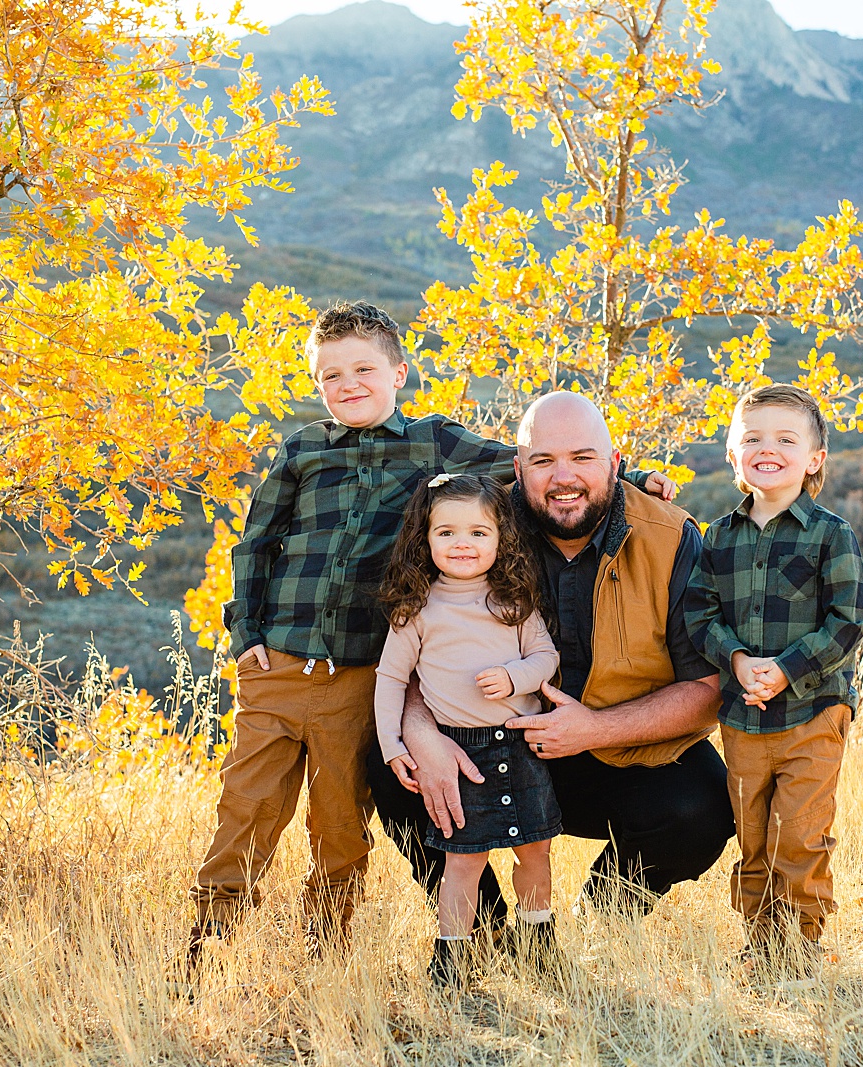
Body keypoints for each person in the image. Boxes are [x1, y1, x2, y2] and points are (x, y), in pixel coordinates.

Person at [189, 303, 674, 965]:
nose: (348, 383)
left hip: (355, 674)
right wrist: (247, 628)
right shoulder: (302, 450)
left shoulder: (432, 442)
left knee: (339, 823)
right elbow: (258, 542)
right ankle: (205, 941)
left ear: (399, 373)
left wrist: (633, 474)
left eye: (364, 367)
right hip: (276, 663)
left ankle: (327, 950)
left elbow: (532, 460)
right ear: (316, 383)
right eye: (331, 374)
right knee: (247, 805)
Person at [369, 391, 736, 930]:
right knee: (394, 769)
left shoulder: (671, 538)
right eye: (543, 461)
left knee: (703, 806)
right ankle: (486, 932)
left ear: (616, 464)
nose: (563, 477)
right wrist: (421, 730)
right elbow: (418, 650)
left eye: (583, 458)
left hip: (618, 749)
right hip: (488, 745)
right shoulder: (475, 529)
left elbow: (706, 690)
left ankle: (602, 920)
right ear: (518, 470)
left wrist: (592, 729)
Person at [684, 384, 863, 961]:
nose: (769, 448)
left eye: (787, 439)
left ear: (814, 459)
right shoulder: (716, 538)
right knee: (755, 836)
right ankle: (762, 945)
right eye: (753, 438)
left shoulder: (829, 533)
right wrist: (738, 661)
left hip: (814, 710)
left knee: (800, 834)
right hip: (743, 717)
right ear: (732, 454)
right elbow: (699, 612)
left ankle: (802, 946)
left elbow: (850, 619)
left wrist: (787, 670)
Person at [374, 474, 561, 987]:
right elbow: (391, 679)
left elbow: (546, 657)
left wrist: (515, 677)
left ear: (501, 540)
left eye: (479, 533)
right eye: (447, 533)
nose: (463, 544)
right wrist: (392, 743)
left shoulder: (513, 601)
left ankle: (537, 943)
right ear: (424, 539)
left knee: (536, 850)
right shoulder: (416, 610)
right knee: (463, 860)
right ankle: (452, 955)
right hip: (459, 752)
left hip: (520, 744)